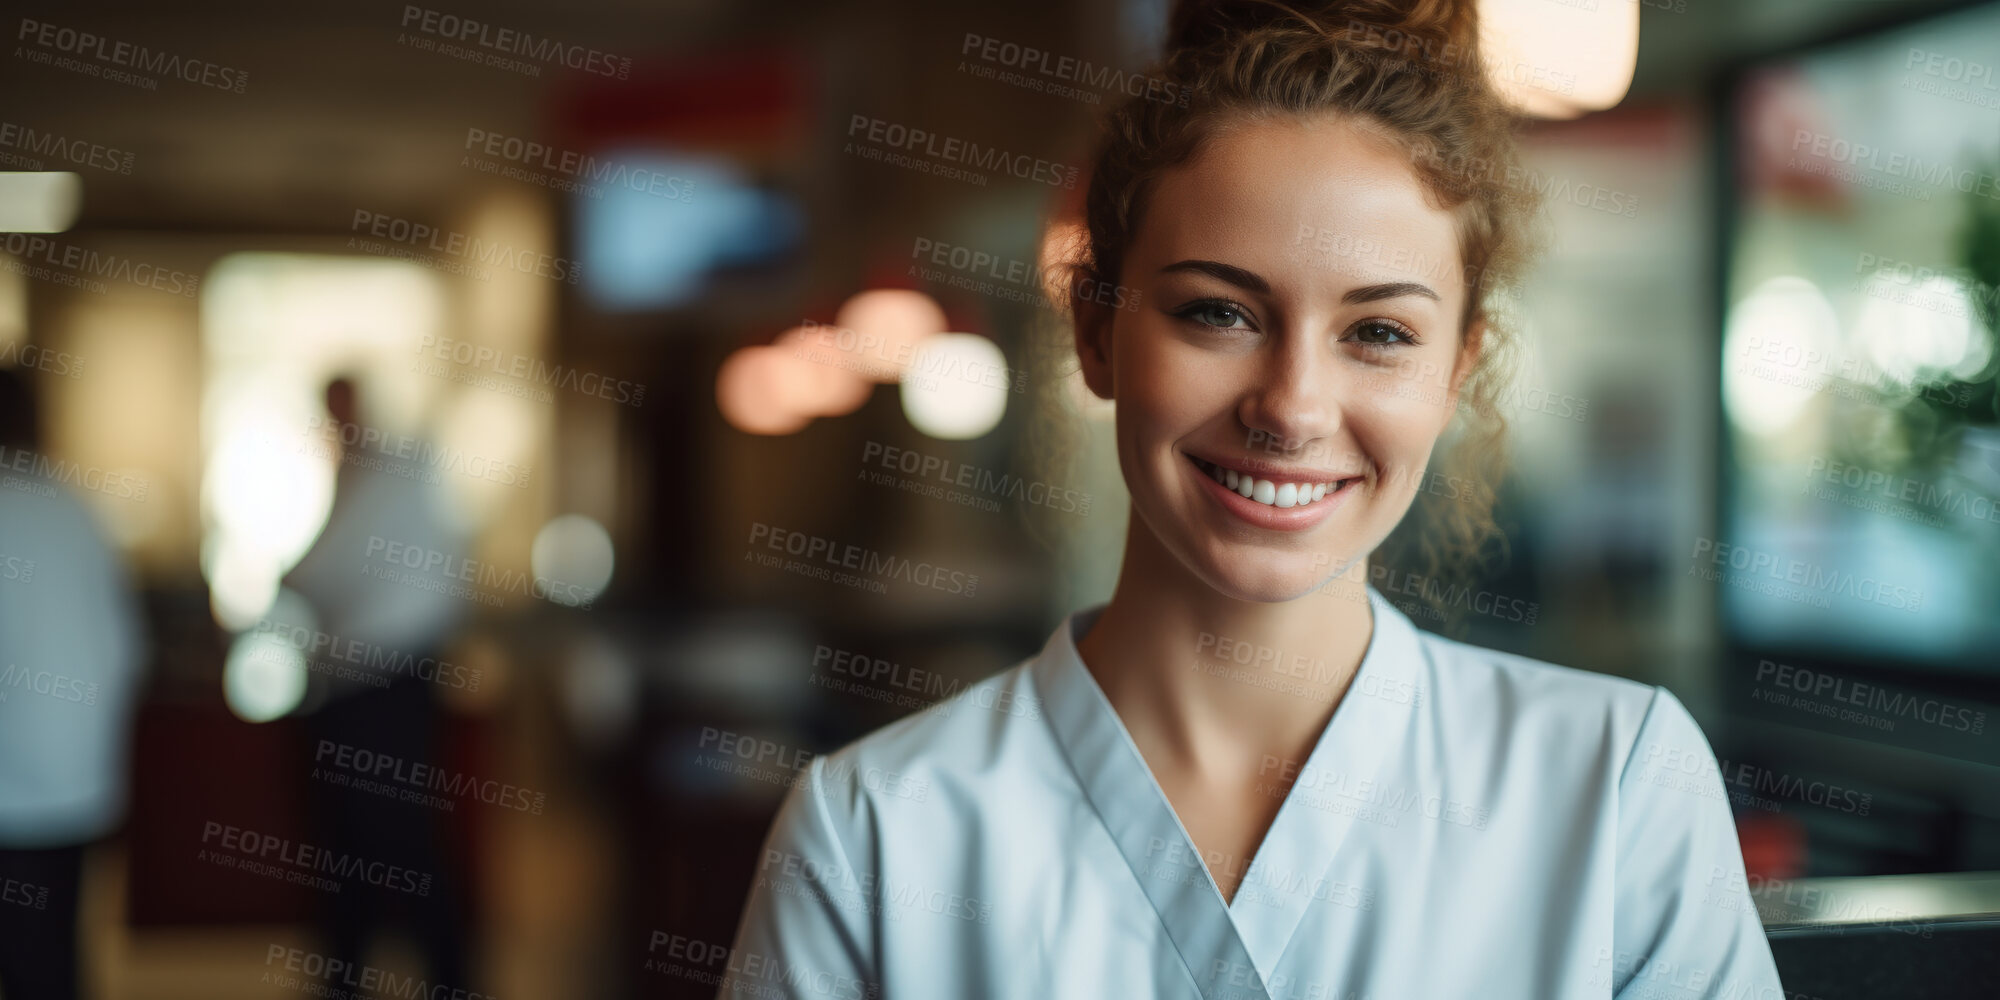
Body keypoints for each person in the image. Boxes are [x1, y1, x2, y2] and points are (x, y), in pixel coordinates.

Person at [721, 2, 1785, 998]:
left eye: (1377, 333)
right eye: (1218, 313)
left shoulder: (1615, 786)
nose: (1291, 407)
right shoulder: (870, 834)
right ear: (1096, 332)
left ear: (1456, 370)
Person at [284, 374, 475, 992]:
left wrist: (290, 579)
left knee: (395, 843)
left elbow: (322, 569)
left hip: (385, 689)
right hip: (361, 689)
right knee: (353, 847)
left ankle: (446, 977)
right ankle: (347, 976)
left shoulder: (393, 473)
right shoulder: (367, 475)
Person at [0, 366, 148, 1000]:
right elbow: (129, 648)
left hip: (14, 793)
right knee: (55, 958)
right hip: (78, 785)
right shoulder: (79, 510)